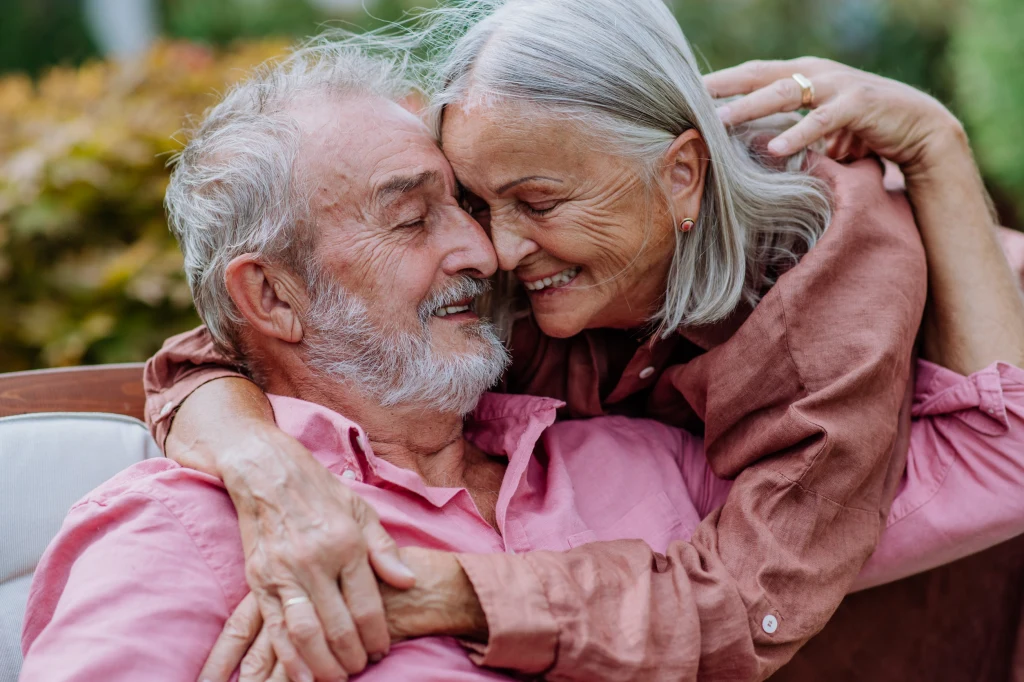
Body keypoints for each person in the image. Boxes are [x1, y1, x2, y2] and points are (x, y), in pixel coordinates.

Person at [20, 42, 1024, 682]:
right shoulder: (197, 528)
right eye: (421, 215)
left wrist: (932, 146)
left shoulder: (639, 456)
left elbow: (994, 463)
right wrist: (264, 465)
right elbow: (200, 357)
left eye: (481, 205)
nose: (483, 250)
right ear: (271, 297)